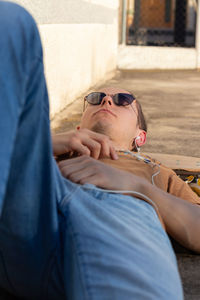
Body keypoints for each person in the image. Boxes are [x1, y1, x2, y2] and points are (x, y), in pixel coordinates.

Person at [0, 2, 200, 299]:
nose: (107, 102)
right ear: (79, 126)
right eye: (96, 98)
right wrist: (45, 144)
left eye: (122, 99)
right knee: (12, 20)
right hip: (35, 211)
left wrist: (137, 188)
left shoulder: (156, 172)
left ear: (139, 136)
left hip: (121, 210)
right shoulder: (49, 150)